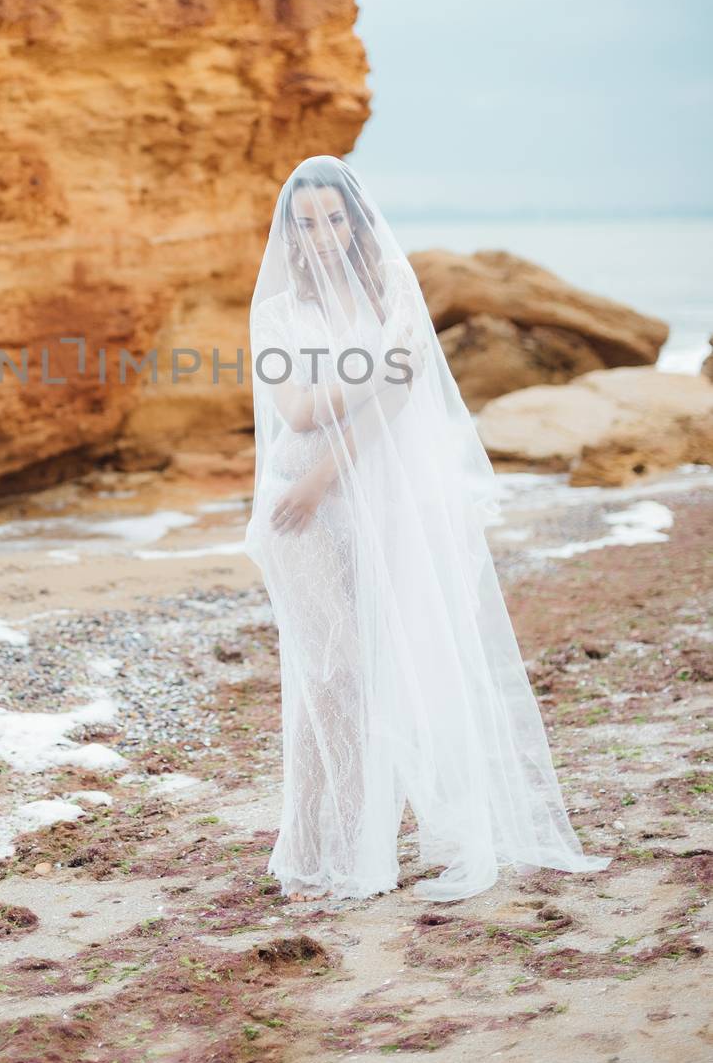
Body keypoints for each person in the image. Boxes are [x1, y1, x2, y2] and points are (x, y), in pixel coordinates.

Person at [243, 155, 610, 904]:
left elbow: (400, 402)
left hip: (364, 500)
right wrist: (380, 366)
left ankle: (349, 851)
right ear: (290, 229)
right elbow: (302, 412)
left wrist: (338, 454)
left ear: (355, 222)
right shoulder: (279, 311)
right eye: (304, 222)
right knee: (330, 670)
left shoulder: (389, 290)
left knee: (377, 668)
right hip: (295, 510)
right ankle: (321, 849)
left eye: (333, 219)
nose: (319, 235)